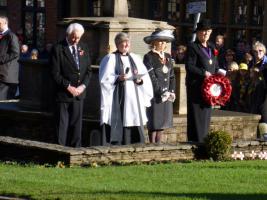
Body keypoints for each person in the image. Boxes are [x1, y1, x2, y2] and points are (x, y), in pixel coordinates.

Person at [99, 32, 153, 145]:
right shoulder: (110, 58)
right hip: (119, 95)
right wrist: (118, 77)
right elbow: (104, 79)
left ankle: (136, 143)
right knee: (122, 117)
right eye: (123, 44)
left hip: (134, 96)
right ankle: (118, 142)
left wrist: (140, 80)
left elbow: (145, 77)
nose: (126, 46)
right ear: (117, 45)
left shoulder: (135, 58)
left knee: (134, 117)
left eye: (127, 44)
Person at [50, 23, 92, 147]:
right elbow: (55, 73)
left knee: (76, 127)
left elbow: (88, 71)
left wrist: (82, 87)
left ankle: (75, 153)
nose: (76, 40)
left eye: (78, 38)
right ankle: (59, 154)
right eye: (73, 37)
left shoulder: (83, 47)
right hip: (63, 94)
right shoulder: (58, 48)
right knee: (61, 126)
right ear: (67, 34)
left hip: (79, 94)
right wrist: (68, 87)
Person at [185, 19, 220, 142]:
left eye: (208, 31)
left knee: (206, 115)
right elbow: (189, 66)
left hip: (209, 90)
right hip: (197, 88)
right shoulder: (193, 47)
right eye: (203, 31)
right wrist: (203, 73)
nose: (205, 34)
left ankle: (205, 141)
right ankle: (196, 142)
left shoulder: (212, 47)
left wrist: (220, 74)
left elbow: (215, 65)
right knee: (197, 116)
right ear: (198, 33)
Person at [143, 29, 176, 144]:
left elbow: (172, 76)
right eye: (160, 42)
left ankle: (159, 144)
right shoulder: (149, 57)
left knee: (162, 123)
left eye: (165, 42)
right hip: (155, 95)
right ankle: (152, 146)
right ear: (154, 43)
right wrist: (160, 92)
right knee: (154, 123)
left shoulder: (168, 56)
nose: (163, 44)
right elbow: (151, 77)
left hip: (167, 94)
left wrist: (171, 91)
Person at [0, 16, 20, 100]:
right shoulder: (3, 35)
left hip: (7, 77)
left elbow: (15, 52)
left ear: (5, 23)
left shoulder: (11, 36)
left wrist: (1, 59)